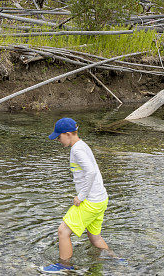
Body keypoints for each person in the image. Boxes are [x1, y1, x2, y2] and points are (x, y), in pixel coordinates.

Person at [40, 117, 116, 274]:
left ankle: (64, 266)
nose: (59, 141)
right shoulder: (82, 145)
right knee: (94, 237)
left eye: (59, 137)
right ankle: (114, 258)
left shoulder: (77, 149)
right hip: (101, 199)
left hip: (90, 201)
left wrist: (80, 197)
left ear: (68, 134)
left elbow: (91, 172)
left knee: (63, 231)